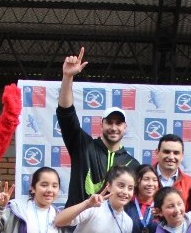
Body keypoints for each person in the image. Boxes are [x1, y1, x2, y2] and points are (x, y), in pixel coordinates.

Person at [57, 46, 138, 207]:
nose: (114, 127)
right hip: (77, 226)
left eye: (118, 123)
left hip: (110, 229)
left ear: (125, 127)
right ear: (101, 124)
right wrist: (67, 77)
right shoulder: (83, 145)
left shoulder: (132, 164)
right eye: (109, 122)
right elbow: (66, 113)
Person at [154, 134, 191, 201]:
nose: (171, 157)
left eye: (176, 153)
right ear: (157, 153)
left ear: (182, 156)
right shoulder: (141, 179)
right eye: (166, 152)